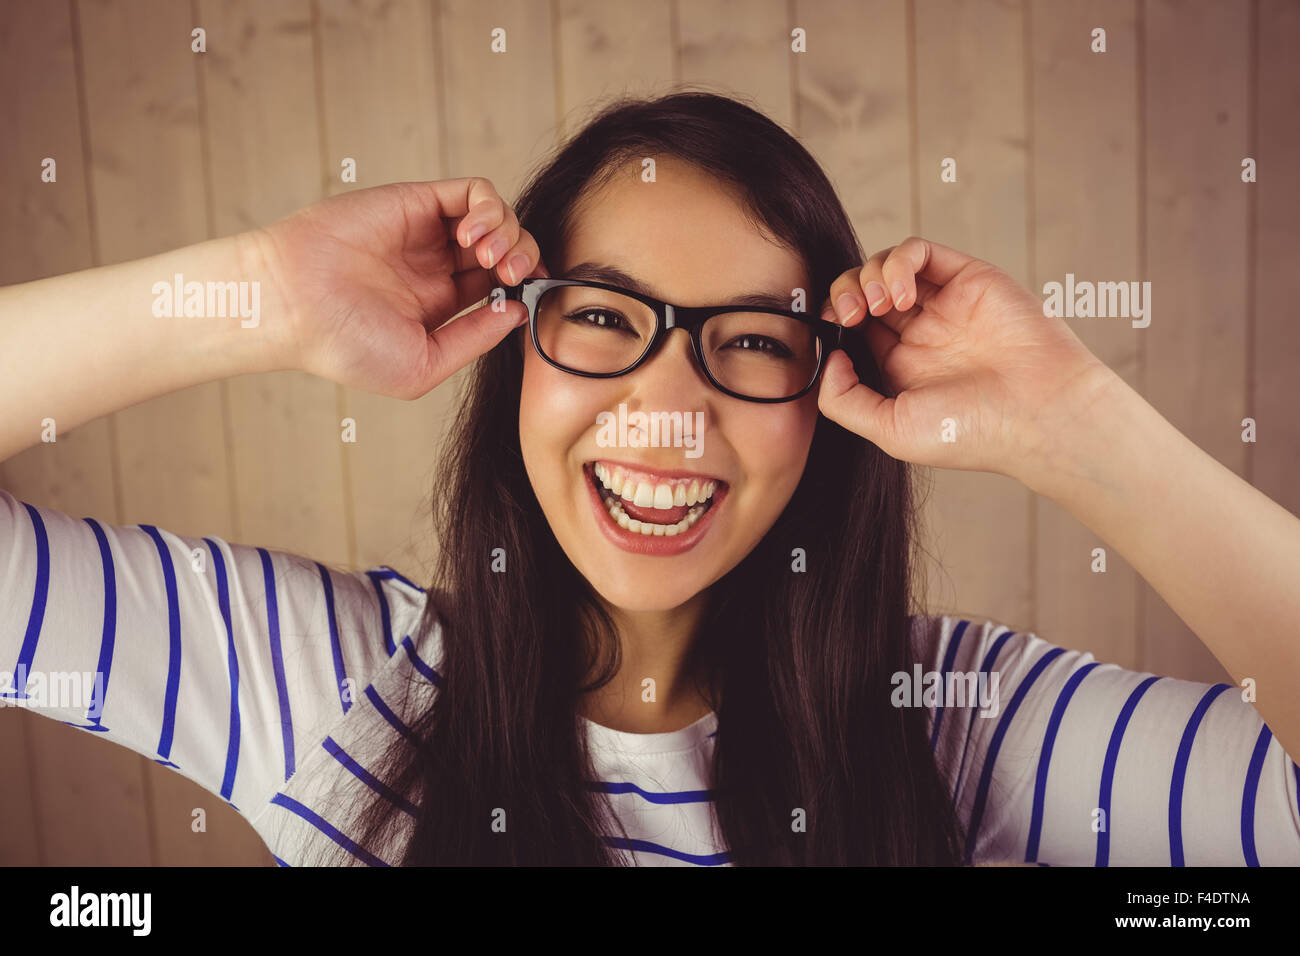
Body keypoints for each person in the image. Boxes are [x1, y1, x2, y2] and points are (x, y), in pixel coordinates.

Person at [1, 92, 1297, 866]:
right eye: (608, 319)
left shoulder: (962, 727)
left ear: (829, 403)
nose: (669, 412)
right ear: (518, 356)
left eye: (748, 341)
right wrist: (264, 297)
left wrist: (1078, 425)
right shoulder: (338, 696)